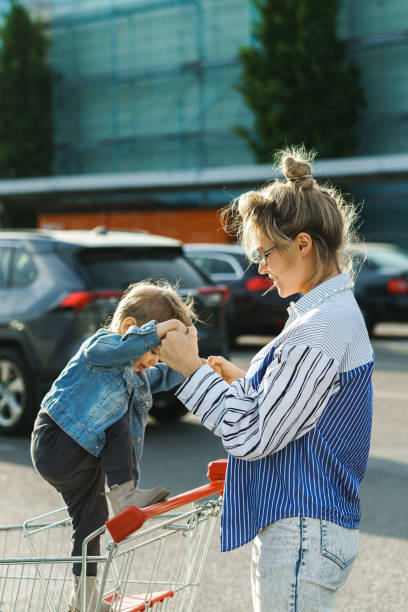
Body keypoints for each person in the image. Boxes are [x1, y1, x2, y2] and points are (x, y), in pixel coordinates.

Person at [159, 148, 374, 612]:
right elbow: (303, 413)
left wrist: (191, 368)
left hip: (301, 530)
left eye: (265, 253)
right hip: (308, 529)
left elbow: (250, 435)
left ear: (302, 245)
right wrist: (247, 382)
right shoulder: (327, 313)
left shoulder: (322, 324)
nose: (260, 267)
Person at [31, 280, 194, 612]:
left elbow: (167, 375)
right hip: (57, 440)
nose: (152, 362)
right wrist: (156, 332)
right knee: (115, 420)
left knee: (90, 524)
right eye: (152, 351)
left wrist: (198, 363)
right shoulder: (101, 346)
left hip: (83, 456)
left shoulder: (136, 373)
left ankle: (84, 598)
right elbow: (118, 351)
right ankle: (125, 494)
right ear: (131, 330)